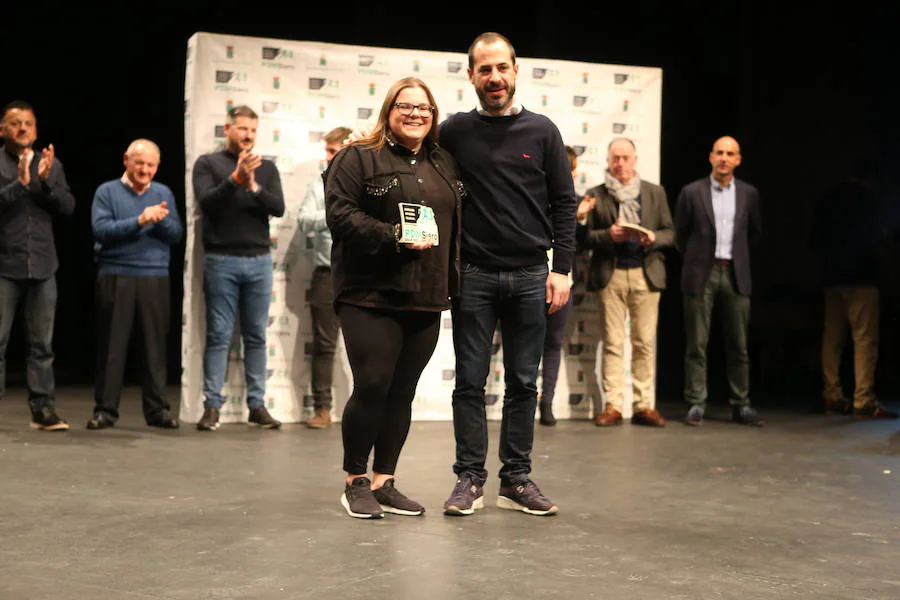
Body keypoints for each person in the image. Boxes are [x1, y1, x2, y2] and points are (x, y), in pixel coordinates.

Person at [442, 33, 576, 516]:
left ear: (516, 71)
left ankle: (516, 479)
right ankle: (469, 478)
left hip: (528, 277)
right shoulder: (453, 131)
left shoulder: (543, 132)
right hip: (473, 276)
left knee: (523, 383)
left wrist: (562, 269)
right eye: (484, 69)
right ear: (471, 75)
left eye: (501, 68)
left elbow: (564, 203)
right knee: (469, 384)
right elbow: (409, 159)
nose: (494, 78)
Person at [325, 77, 463, 519]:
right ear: (389, 110)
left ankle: (385, 480)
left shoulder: (445, 163)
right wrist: (393, 235)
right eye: (406, 106)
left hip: (426, 294)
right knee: (374, 385)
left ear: (433, 115)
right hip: (369, 294)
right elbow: (341, 213)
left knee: (403, 391)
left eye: (424, 108)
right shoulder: (358, 156)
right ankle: (355, 481)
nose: (416, 114)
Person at [192, 105, 285, 431]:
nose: (247, 135)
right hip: (221, 260)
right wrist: (235, 179)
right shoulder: (207, 164)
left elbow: (278, 207)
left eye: (252, 130)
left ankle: (257, 405)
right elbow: (207, 202)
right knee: (218, 336)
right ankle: (212, 406)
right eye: (242, 129)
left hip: (259, 260)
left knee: (256, 336)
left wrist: (253, 186)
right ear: (228, 128)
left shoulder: (267, 168)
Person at [87, 139, 183, 429]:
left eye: (150, 164)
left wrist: (161, 219)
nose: (144, 169)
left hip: (154, 276)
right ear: (126, 160)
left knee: (154, 347)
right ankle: (105, 410)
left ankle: (157, 410)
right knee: (112, 346)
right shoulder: (107, 191)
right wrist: (141, 220)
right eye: (139, 163)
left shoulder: (163, 193)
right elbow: (101, 230)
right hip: (116, 274)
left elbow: (176, 233)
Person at [578, 138, 674, 427]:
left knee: (644, 342)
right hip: (613, 273)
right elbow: (584, 238)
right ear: (608, 161)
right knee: (613, 343)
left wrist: (654, 237)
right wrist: (610, 235)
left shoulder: (655, 193)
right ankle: (614, 405)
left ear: (635, 160)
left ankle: (644, 404)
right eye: (615, 158)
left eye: (625, 158)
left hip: (647, 274)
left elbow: (670, 232)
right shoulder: (596, 194)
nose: (620, 163)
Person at [674, 136, 764, 426]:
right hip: (702, 272)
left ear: (738, 159)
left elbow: (755, 233)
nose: (724, 157)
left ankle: (741, 403)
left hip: (735, 273)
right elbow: (680, 235)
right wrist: (698, 259)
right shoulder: (691, 192)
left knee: (739, 344)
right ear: (710, 157)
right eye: (720, 152)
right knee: (697, 343)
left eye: (731, 153)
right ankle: (696, 403)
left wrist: (736, 258)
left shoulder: (749, 194)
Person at [0, 100, 75, 431]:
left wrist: (43, 181)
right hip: (4, 265)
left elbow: (69, 207)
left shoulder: (51, 164)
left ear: (36, 129)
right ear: (2, 130)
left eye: (28, 123)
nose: (23, 128)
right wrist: (21, 182)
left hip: (43, 265)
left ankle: (42, 410)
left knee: (41, 345)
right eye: (15, 123)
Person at [810, 159, 897, 419]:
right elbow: (877, 238)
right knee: (864, 339)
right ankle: (863, 399)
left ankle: (832, 394)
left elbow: (814, 238)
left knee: (832, 338)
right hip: (861, 276)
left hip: (832, 276)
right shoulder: (868, 199)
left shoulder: (829, 198)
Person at [298, 126, 351, 429]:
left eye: (333, 152)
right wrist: (336, 214)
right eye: (327, 151)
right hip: (326, 272)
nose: (327, 157)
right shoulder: (319, 185)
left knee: (369, 344)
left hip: (361, 272)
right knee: (324, 344)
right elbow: (305, 221)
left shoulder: (362, 183)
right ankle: (322, 408)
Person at [538, 145, 579, 426]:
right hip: (531, 278)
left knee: (553, 343)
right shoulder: (534, 198)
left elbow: (577, 241)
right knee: (525, 346)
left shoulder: (576, 202)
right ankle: (524, 400)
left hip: (563, 281)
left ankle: (547, 402)